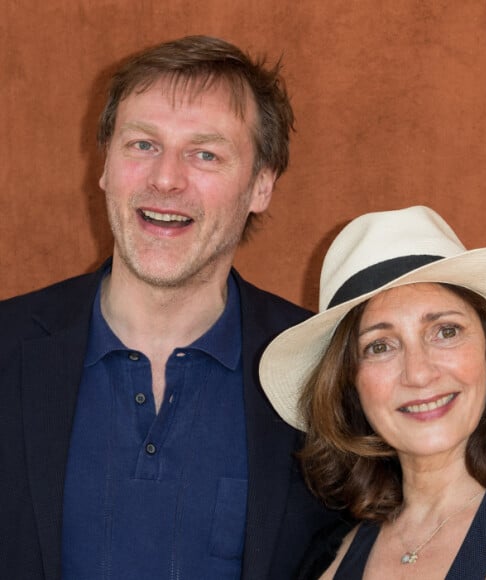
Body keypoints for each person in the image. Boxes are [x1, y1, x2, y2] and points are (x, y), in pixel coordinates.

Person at [0, 35, 339, 580]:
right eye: (142, 145)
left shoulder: (324, 376)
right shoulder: (7, 346)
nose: (165, 178)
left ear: (261, 186)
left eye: (205, 153)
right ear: (106, 165)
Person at [259, 205, 486, 579]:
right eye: (380, 346)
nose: (418, 373)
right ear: (351, 383)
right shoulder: (322, 560)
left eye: (446, 331)